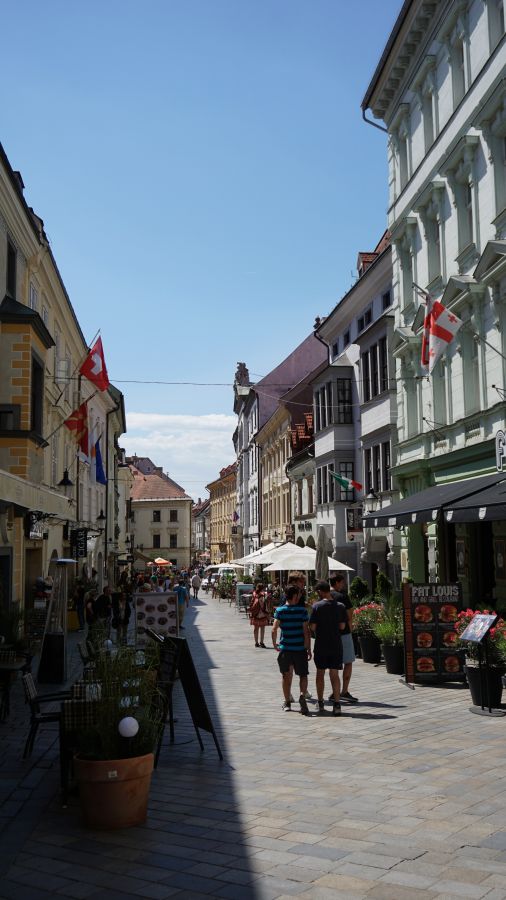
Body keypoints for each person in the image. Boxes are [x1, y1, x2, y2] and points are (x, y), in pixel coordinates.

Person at [272, 585, 312, 715]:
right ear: (295, 596)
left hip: (286, 649)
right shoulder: (302, 611)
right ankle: (302, 695)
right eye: (299, 594)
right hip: (300, 649)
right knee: (303, 675)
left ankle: (287, 702)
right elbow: (306, 632)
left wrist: (275, 644)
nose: (300, 596)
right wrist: (308, 648)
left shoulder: (280, 610)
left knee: (286, 676)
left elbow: (274, 629)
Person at [309, 581, 347, 716]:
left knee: (320, 673)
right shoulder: (340, 606)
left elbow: (313, 627)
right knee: (334, 674)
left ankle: (320, 703)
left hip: (321, 645)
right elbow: (342, 626)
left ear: (320, 591)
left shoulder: (317, 606)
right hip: (336, 644)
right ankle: (337, 704)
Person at [329, 574, 359, 704]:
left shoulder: (325, 596)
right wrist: (350, 627)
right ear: (337, 582)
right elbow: (350, 614)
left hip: (330, 634)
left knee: (333, 665)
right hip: (344, 633)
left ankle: (334, 692)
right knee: (348, 662)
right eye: (342, 582)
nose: (343, 584)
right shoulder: (342, 597)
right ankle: (344, 691)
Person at [249, 582, 270, 648]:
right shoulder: (263, 594)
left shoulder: (254, 593)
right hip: (262, 613)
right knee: (262, 628)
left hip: (255, 613)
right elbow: (264, 604)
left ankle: (256, 642)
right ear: (262, 588)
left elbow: (252, 602)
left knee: (256, 628)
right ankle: (261, 642)